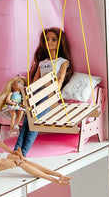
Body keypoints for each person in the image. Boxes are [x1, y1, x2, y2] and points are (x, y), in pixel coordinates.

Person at [0, 88, 70, 185]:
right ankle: (55, 180)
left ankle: (59, 175)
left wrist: (11, 152)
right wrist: (2, 162)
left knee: (21, 158)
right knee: (20, 162)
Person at [13, 28, 74, 156]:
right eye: (47, 39)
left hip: (50, 96)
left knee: (34, 119)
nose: (49, 42)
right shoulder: (42, 63)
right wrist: (28, 96)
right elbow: (34, 84)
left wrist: (52, 89)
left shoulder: (63, 62)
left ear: (60, 42)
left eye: (53, 39)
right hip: (38, 94)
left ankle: (22, 153)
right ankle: (17, 151)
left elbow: (60, 80)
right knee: (28, 119)